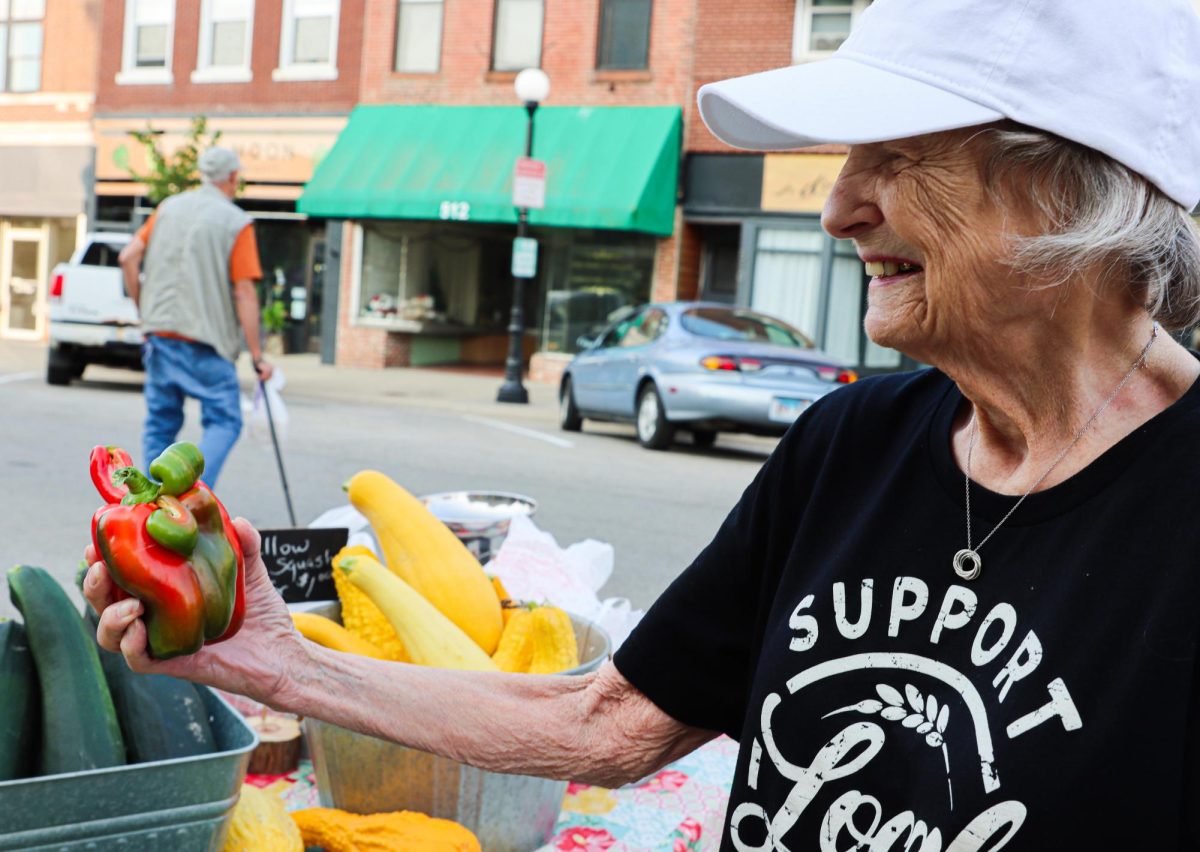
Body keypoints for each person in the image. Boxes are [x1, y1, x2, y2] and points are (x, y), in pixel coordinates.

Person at [88, 0, 1200, 846]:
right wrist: (277, 664)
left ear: (1073, 187)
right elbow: (607, 724)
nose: (837, 205)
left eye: (898, 158)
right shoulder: (845, 446)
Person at [118, 146, 273, 488]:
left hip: (159, 336)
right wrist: (258, 356)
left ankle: (151, 508)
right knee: (225, 421)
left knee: (161, 424)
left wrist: (145, 313)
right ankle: (189, 494)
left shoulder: (167, 209)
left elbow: (129, 257)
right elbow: (244, 292)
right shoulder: (235, 222)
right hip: (205, 342)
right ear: (232, 177)